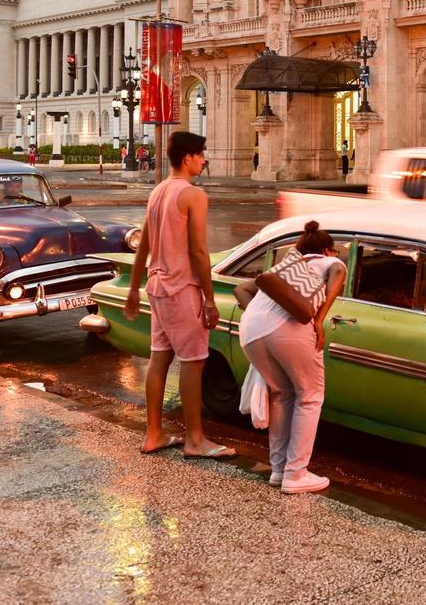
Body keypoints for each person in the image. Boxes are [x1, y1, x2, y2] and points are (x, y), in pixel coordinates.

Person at [123, 131, 235, 458]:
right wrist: (210, 299)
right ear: (187, 158)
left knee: (160, 357)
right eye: (201, 155)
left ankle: (154, 434)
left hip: (157, 287)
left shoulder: (158, 192)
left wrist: (133, 288)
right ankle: (196, 440)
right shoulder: (192, 195)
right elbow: (199, 252)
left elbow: (143, 242)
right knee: (193, 361)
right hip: (181, 287)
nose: (204, 160)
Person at [239, 222, 346, 494]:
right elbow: (338, 272)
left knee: (282, 395)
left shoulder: (286, 266)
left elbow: (242, 289)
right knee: (310, 396)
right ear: (327, 250)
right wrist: (319, 320)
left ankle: (279, 470)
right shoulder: (328, 262)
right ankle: (296, 474)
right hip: (288, 330)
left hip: (251, 329)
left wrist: (263, 316)